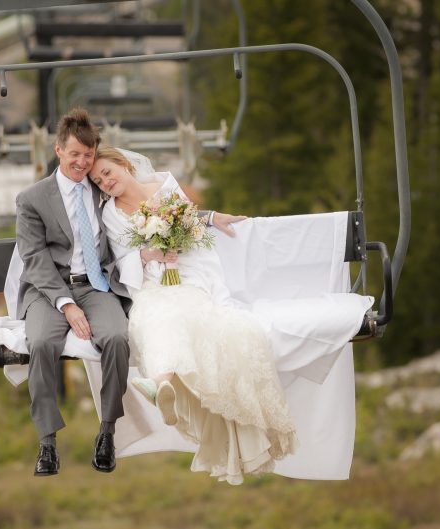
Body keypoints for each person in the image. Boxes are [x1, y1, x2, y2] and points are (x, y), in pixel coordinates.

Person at [16, 108, 241, 477]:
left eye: (88, 156)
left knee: (118, 338)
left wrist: (211, 217)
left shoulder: (102, 188)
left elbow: (160, 209)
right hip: (49, 290)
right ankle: (47, 441)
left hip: (97, 284)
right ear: (58, 150)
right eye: (74, 154)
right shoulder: (32, 199)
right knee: (40, 343)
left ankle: (107, 431)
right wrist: (67, 304)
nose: (82, 163)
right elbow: (35, 260)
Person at [89, 146, 299, 484]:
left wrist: (188, 237)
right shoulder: (111, 213)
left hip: (186, 271)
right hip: (150, 281)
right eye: (99, 181)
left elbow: (188, 224)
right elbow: (120, 256)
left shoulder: (164, 184)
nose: (106, 182)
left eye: (108, 173)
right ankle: (163, 384)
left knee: (198, 316)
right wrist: (148, 254)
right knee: (156, 313)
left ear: (124, 165)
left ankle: (159, 384)